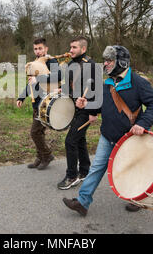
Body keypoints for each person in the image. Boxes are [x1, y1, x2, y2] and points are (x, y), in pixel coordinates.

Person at [62, 45, 153, 216]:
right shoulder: (108, 82)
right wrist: (87, 106)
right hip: (107, 135)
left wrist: (143, 123)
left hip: (130, 138)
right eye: (105, 60)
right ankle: (82, 202)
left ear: (121, 62)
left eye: (109, 60)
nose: (106, 64)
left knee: (132, 169)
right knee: (96, 168)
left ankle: (138, 199)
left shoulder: (138, 83)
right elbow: (102, 105)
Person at [57, 36, 98, 190]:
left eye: (74, 47)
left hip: (86, 110)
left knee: (70, 141)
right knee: (79, 140)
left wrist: (93, 112)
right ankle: (85, 171)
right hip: (74, 109)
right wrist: (63, 90)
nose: (71, 50)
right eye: (71, 47)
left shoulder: (91, 65)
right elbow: (71, 86)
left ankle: (72, 175)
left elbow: (96, 90)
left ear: (83, 49)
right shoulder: (71, 64)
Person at [16, 38, 61, 170]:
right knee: (39, 132)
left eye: (40, 48)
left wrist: (39, 78)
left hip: (46, 102)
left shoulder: (51, 61)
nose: (38, 51)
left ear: (46, 49)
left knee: (35, 132)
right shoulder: (35, 63)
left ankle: (47, 155)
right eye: (35, 49)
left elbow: (58, 76)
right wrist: (22, 97)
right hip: (36, 103)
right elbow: (31, 82)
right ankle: (40, 157)